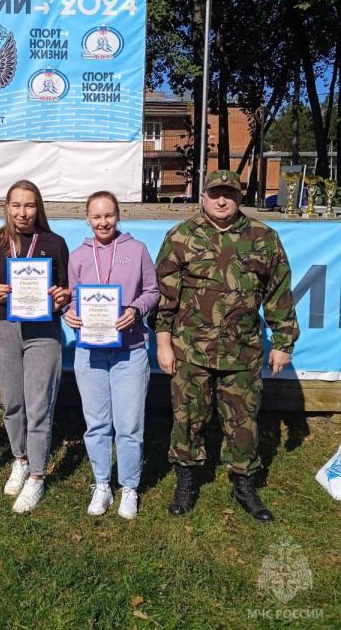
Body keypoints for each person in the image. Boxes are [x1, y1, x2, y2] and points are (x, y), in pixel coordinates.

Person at [155, 170, 300, 522]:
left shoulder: (263, 237)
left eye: (229, 194)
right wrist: (163, 344)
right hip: (191, 349)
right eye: (215, 194)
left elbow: (279, 293)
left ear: (240, 197)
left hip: (242, 351)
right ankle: (186, 481)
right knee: (188, 418)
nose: (222, 201)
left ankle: (244, 484)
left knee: (243, 422)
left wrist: (283, 342)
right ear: (203, 196)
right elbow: (165, 298)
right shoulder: (180, 236)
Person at [64, 191, 159, 519]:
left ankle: (129, 486)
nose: (103, 222)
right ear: (87, 219)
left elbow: (152, 291)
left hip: (129, 352)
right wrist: (69, 313)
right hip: (90, 353)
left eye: (109, 215)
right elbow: (71, 299)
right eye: (97, 216)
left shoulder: (137, 250)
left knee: (129, 425)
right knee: (96, 424)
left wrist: (135, 309)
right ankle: (102, 483)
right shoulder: (78, 256)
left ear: (118, 215)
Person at [0, 180, 70, 513]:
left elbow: (65, 291)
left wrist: (61, 298)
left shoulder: (54, 243)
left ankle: (37, 475)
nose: (23, 213)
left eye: (30, 205)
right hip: (6, 329)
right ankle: (19, 459)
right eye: (16, 205)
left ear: (39, 208)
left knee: (39, 406)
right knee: (12, 402)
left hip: (43, 333)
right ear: (7, 207)